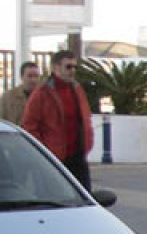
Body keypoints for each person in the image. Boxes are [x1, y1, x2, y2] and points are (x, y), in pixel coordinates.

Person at [21, 50, 94, 191]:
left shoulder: (77, 90)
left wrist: (88, 142)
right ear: (56, 68)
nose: (72, 71)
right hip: (55, 159)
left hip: (78, 157)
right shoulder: (41, 94)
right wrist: (44, 152)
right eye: (68, 67)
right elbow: (30, 126)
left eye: (74, 67)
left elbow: (85, 118)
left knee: (84, 198)